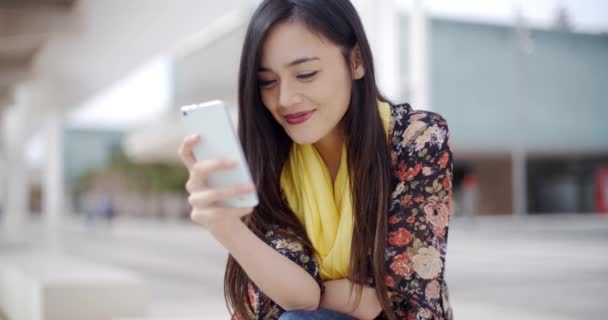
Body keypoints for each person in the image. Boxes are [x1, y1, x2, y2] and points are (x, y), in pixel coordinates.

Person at [178, 0, 454, 319]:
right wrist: (226, 228)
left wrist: (314, 290)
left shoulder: (416, 138)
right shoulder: (272, 162)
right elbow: (289, 302)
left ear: (356, 61)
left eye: (306, 74)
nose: (285, 99)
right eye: (268, 81)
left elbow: (395, 298)